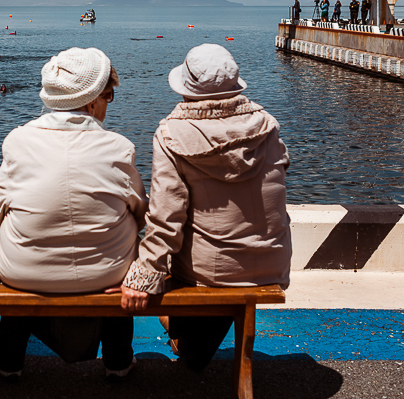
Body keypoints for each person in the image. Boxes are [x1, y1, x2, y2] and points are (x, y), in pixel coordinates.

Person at [119, 44, 291, 372]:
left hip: (210, 272)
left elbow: (166, 218)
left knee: (189, 342)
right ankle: (193, 343)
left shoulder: (171, 134)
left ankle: (187, 340)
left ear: (187, 90)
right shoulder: (268, 125)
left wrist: (143, 276)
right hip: (272, 261)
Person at [0, 47, 147, 379]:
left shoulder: (17, 141)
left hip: (22, 273)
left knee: (18, 246)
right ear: (91, 102)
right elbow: (140, 210)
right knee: (123, 242)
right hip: (106, 276)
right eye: (109, 96)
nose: (108, 103)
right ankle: (118, 362)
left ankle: (8, 362)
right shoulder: (119, 147)